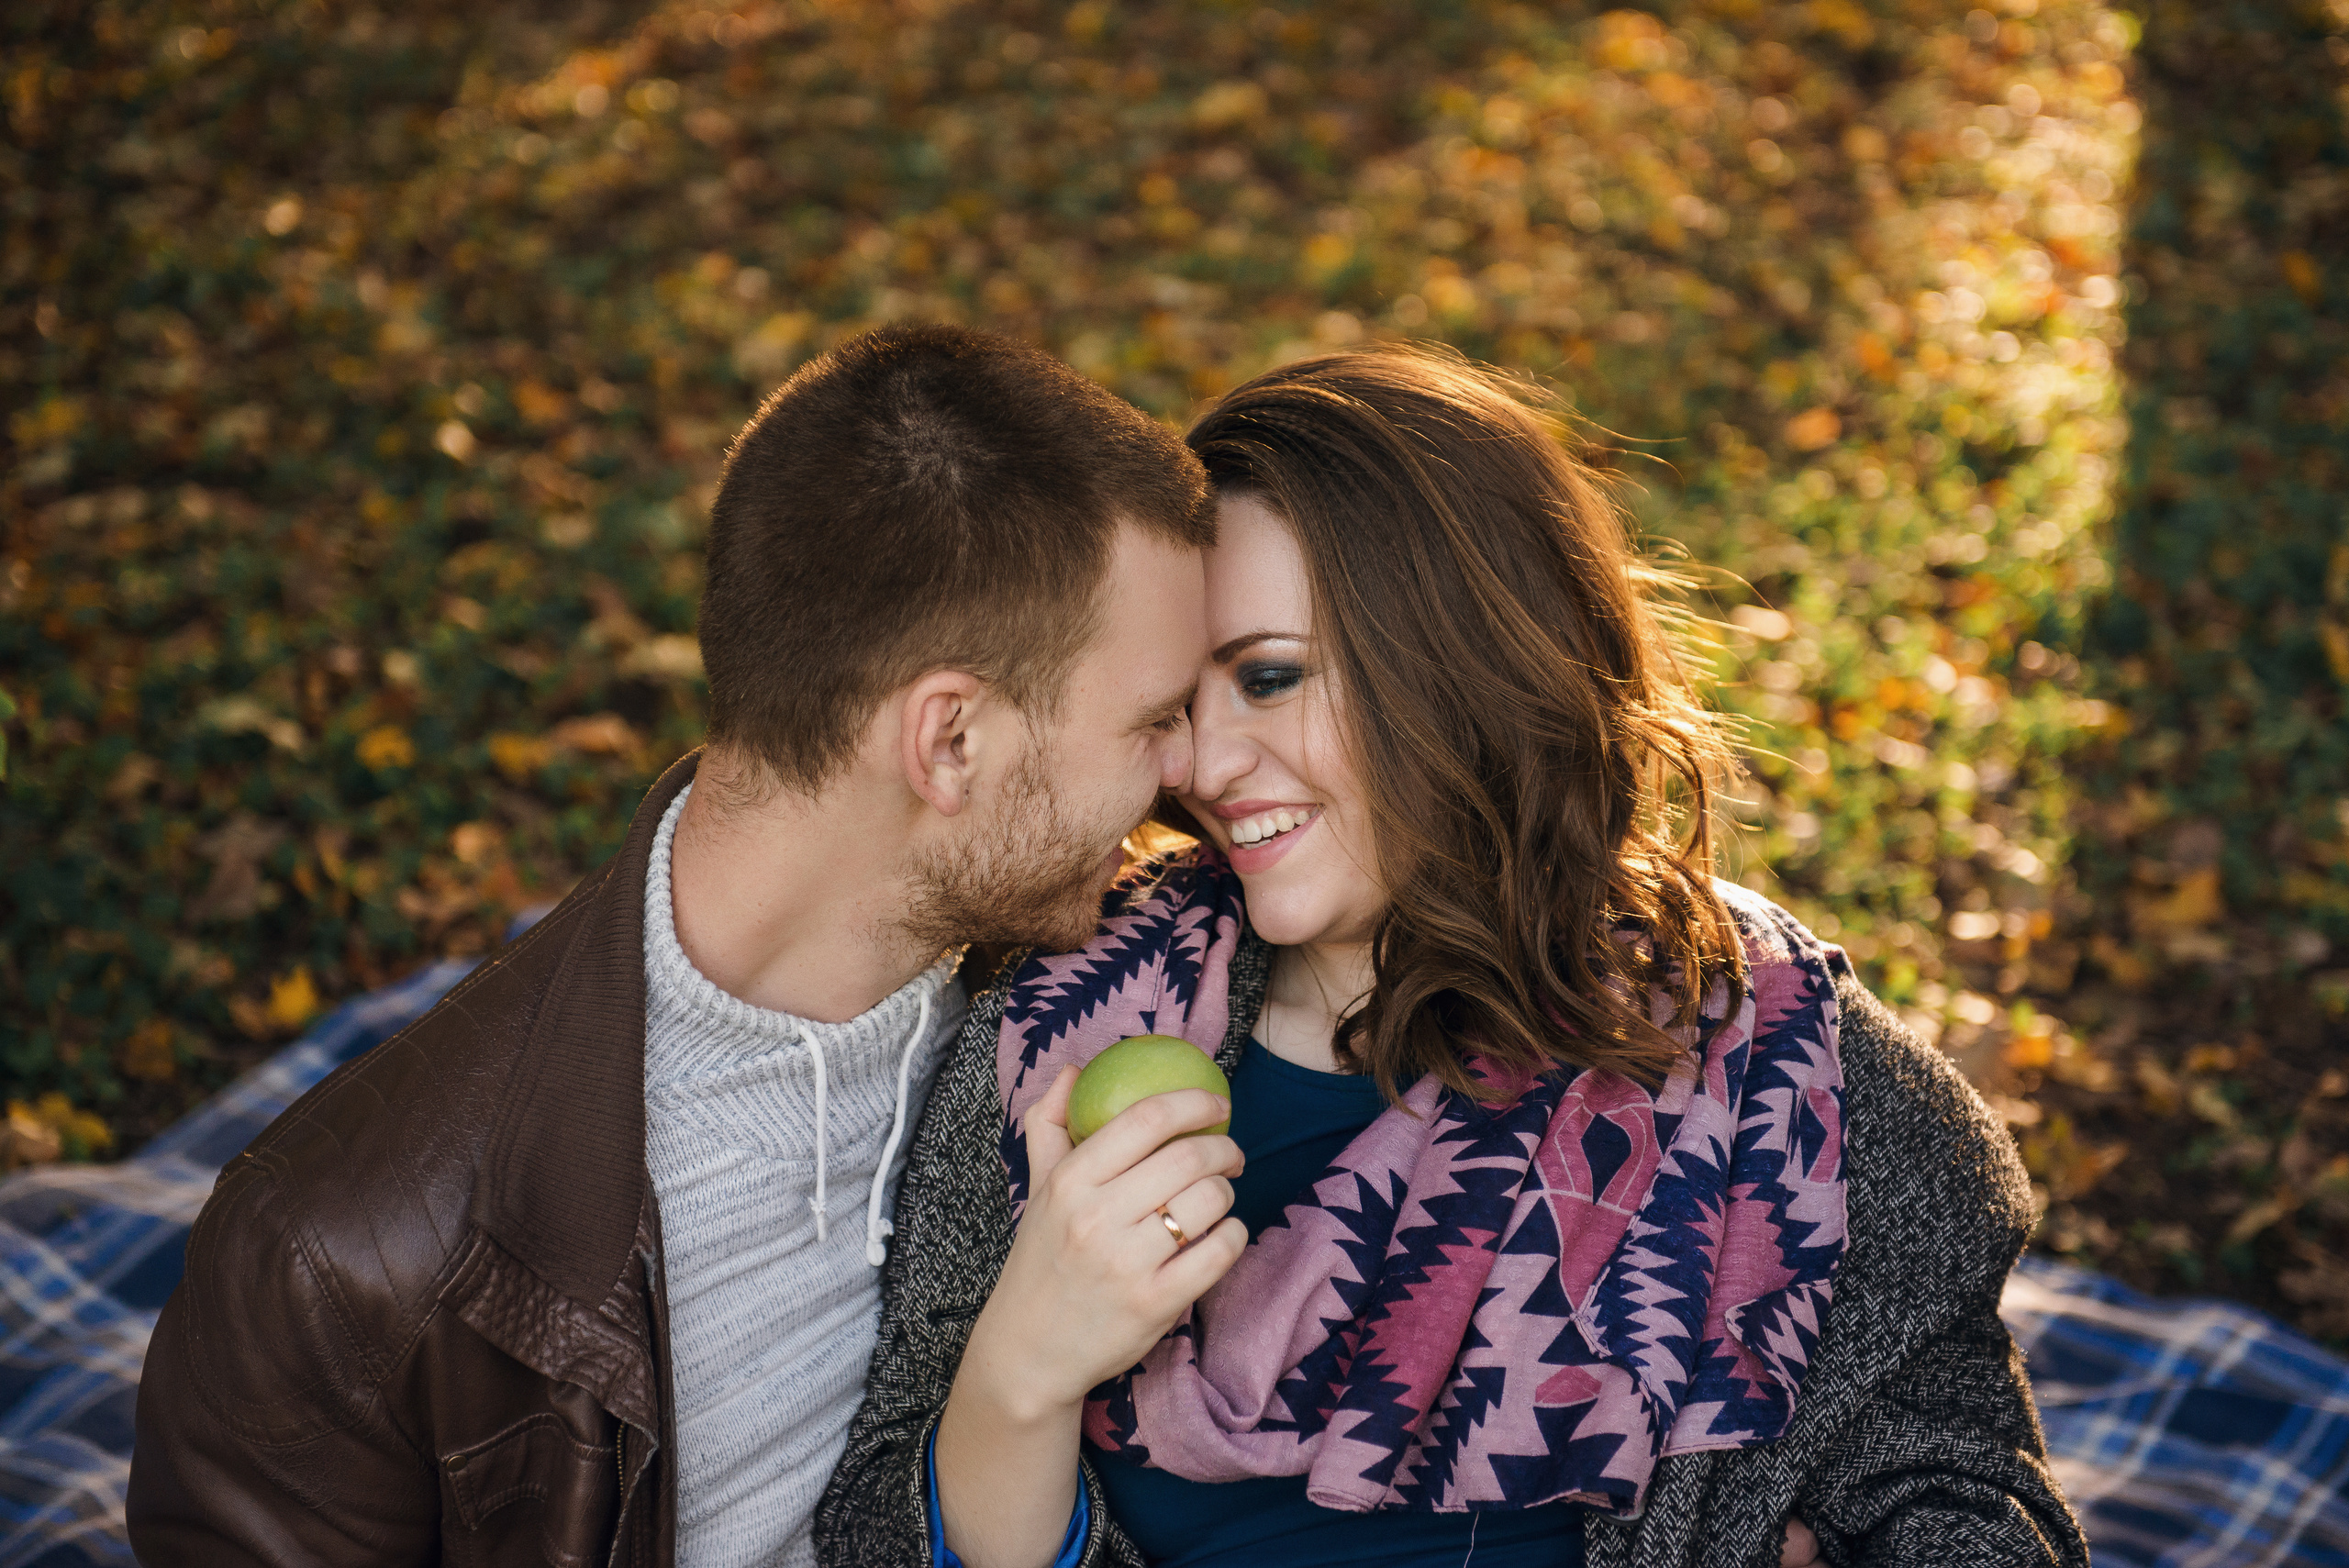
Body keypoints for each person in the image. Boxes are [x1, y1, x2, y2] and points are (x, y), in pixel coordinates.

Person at [816, 348, 2087, 1567]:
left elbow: (1973, 1512)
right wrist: (1020, 1375)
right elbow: (873, 1517)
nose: (1202, 767)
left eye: (1268, 677)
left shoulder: (1777, 1074)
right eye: (1175, 704)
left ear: (1460, 661)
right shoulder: (1065, 1025)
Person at [126, 324, 1218, 1567]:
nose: (1194, 771)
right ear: (950, 742)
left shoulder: (1097, 985)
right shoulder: (338, 1274)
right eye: (1153, 720)